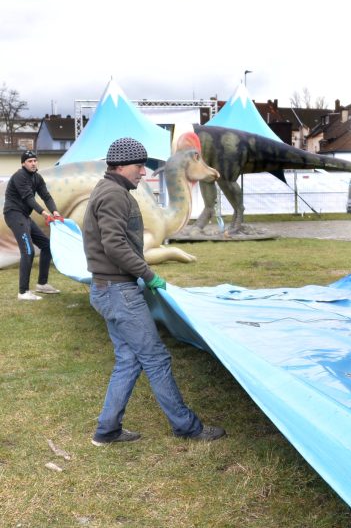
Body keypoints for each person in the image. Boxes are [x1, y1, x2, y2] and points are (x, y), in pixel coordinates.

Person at [83, 137, 225, 445]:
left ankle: (106, 432)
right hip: (119, 293)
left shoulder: (108, 189)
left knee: (129, 360)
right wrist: (148, 275)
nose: (143, 174)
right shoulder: (114, 195)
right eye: (139, 167)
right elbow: (115, 244)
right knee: (156, 359)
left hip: (108, 289)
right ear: (121, 166)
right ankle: (187, 427)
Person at [3, 150, 63, 301]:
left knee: (47, 246)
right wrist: (44, 213)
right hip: (13, 214)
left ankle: (42, 284)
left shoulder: (37, 177)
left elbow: (46, 196)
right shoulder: (19, 176)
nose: (33, 163)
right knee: (28, 251)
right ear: (23, 163)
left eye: (35, 160)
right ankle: (23, 292)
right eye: (29, 161)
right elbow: (28, 198)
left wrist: (55, 211)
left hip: (24, 216)